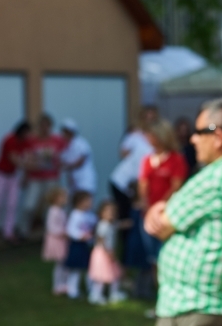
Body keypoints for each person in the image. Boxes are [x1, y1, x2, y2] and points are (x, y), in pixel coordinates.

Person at [145, 99, 222, 326]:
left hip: (193, 308)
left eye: (199, 131)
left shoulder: (214, 178)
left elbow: (160, 227)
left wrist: (154, 209)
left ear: (218, 136)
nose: (193, 138)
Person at [139, 119, 188, 274]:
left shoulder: (175, 159)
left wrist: (159, 207)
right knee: (150, 253)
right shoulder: (148, 159)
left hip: (165, 212)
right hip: (148, 211)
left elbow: (176, 186)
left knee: (164, 251)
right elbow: (142, 184)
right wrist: (146, 206)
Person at [109, 107, 157, 258]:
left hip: (134, 185)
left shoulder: (153, 139)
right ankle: (125, 256)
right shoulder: (136, 136)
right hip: (122, 182)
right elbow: (124, 154)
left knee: (133, 219)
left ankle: (133, 255)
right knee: (127, 220)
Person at [20, 114, 66, 238]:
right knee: (29, 205)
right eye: (42, 125)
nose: (44, 128)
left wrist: (61, 163)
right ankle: (23, 230)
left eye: (47, 125)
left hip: (51, 177)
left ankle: (50, 232)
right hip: (35, 177)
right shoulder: (32, 141)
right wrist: (25, 175)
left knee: (50, 207)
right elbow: (26, 158)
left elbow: (65, 155)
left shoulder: (57, 140)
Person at [0, 121, 32, 241]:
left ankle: (8, 231)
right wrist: (27, 165)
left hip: (13, 175)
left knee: (12, 204)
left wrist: (26, 174)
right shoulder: (9, 140)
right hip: (1, 173)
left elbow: (29, 157)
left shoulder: (26, 142)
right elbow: (13, 159)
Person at [88, 200, 127, 305]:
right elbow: (101, 239)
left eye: (113, 212)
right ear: (101, 213)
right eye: (108, 211)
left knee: (115, 274)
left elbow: (118, 225)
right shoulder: (103, 225)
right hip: (103, 253)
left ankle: (114, 293)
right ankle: (95, 295)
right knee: (101, 276)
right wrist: (107, 252)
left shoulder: (111, 224)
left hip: (108, 252)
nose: (111, 214)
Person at [64, 190, 96, 299]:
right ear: (79, 202)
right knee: (76, 269)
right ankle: (72, 291)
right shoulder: (74, 215)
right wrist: (80, 236)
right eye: (88, 201)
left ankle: (91, 289)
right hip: (77, 245)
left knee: (89, 268)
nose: (90, 203)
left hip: (86, 246)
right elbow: (70, 230)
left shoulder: (89, 214)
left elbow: (94, 224)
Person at [42, 187, 69, 295]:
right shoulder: (53, 211)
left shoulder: (60, 211)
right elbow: (51, 227)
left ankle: (63, 283)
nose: (66, 198)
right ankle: (57, 284)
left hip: (61, 240)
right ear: (56, 198)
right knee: (60, 263)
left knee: (63, 262)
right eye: (63, 197)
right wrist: (63, 232)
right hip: (56, 240)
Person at [60, 119, 97, 195]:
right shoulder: (65, 146)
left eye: (65, 131)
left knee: (85, 202)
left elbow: (80, 161)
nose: (63, 134)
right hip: (74, 182)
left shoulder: (81, 143)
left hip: (85, 180)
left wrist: (66, 166)